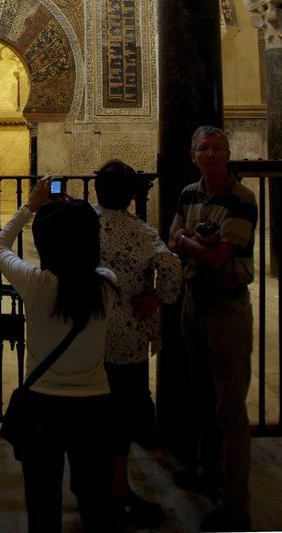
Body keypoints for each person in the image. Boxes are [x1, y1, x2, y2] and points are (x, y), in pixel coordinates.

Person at [0, 177, 118, 533]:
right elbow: (91, 239)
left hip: (42, 407)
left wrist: (30, 207)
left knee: (42, 499)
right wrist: (76, 210)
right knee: (95, 498)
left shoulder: (34, 284)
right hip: (95, 405)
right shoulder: (107, 284)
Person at [168, 125, 257, 533]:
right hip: (194, 301)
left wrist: (188, 242)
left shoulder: (242, 198)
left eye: (216, 148)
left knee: (229, 407)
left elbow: (220, 257)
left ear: (228, 154)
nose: (209, 154)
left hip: (226, 305)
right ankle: (208, 472)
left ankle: (235, 504)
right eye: (202, 148)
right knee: (202, 392)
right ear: (192, 154)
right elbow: (172, 236)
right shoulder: (189, 193)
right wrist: (191, 243)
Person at [95, 159, 182, 529]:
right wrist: (158, 298)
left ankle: (89, 484)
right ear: (133, 196)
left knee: (92, 412)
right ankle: (117, 489)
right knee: (120, 416)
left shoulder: (84, 223)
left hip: (89, 337)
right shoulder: (143, 232)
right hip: (128, 339)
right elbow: (173, 268)